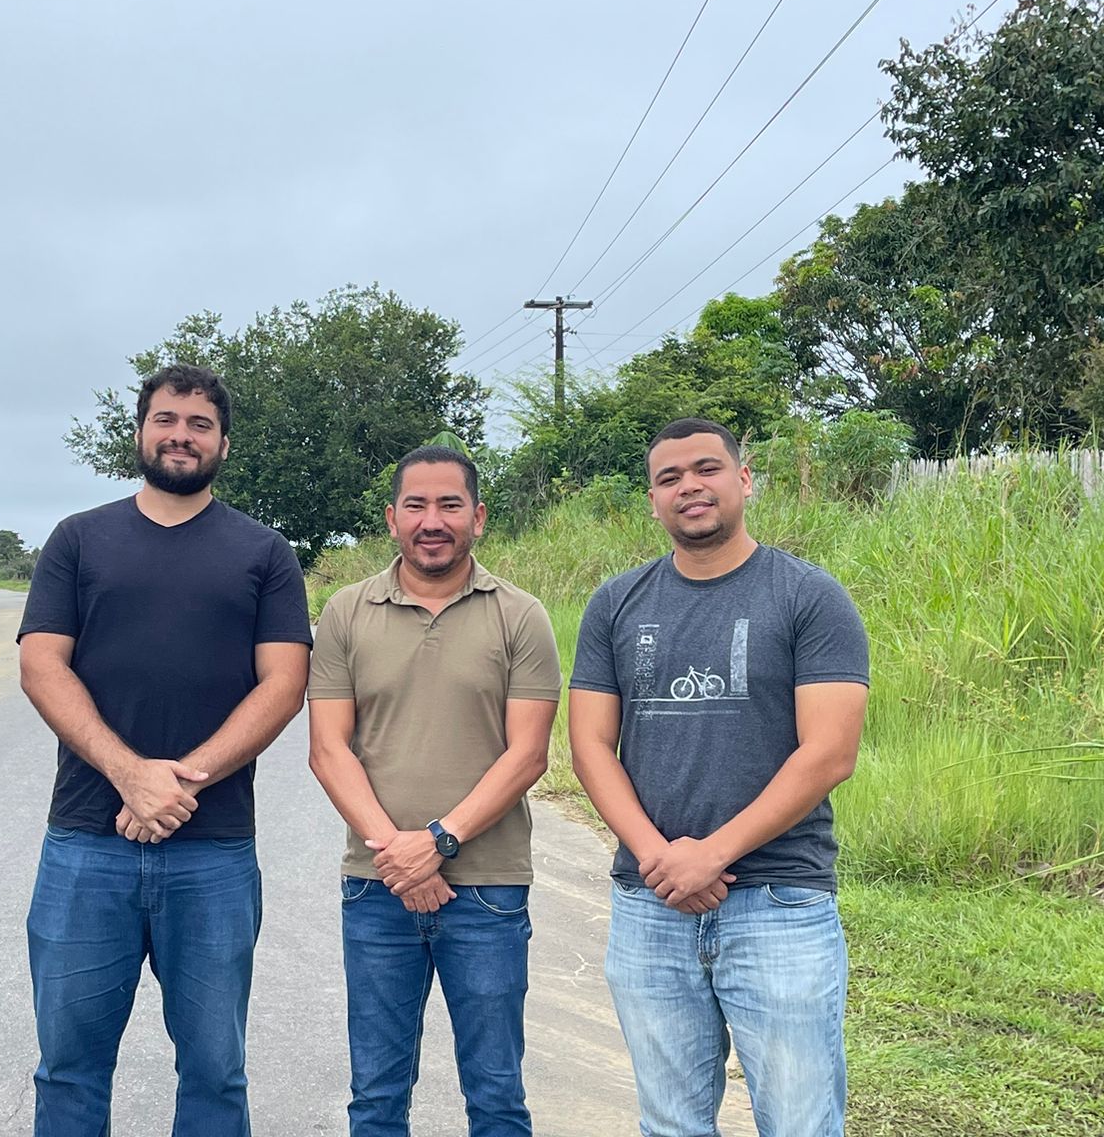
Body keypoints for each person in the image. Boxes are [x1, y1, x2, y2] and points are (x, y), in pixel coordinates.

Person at [17, 364, 312, 1137]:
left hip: (213, 852)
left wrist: (182, 783)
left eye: (200, 424)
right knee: (69, 1068)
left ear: (224, 443)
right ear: (141, 431)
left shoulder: (264, 552)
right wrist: (128, 774)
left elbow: (284, 684)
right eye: (167, 420)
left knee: (215, 1071)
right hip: (87, 844)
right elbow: (41, 666)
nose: (181, 435)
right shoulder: (78, 540)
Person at [568, 417, 869, 1137]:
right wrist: (659, 857)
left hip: (780, 901)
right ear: (653, 500)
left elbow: (829, 753)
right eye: (669, 478)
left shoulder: (809, 596)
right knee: (670, 1123)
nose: (689, 487)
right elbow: (590, 746)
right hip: (650, 904)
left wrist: (711, 854)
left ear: (744, 478)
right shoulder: (615, 603)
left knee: (799, 1121)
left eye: (706, 469)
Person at [308, 444, 561, 1137]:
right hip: (376, 886)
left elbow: (527, 755)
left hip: (488, 890)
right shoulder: (346, 613)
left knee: (496, 1094)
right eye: (416, 505)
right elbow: (328, 750)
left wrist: (439, 841)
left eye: (450, 505)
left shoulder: (521, 616)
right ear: (392, 518)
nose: (432, 521)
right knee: (377, 1095)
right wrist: (399, 853)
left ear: (478, 516)